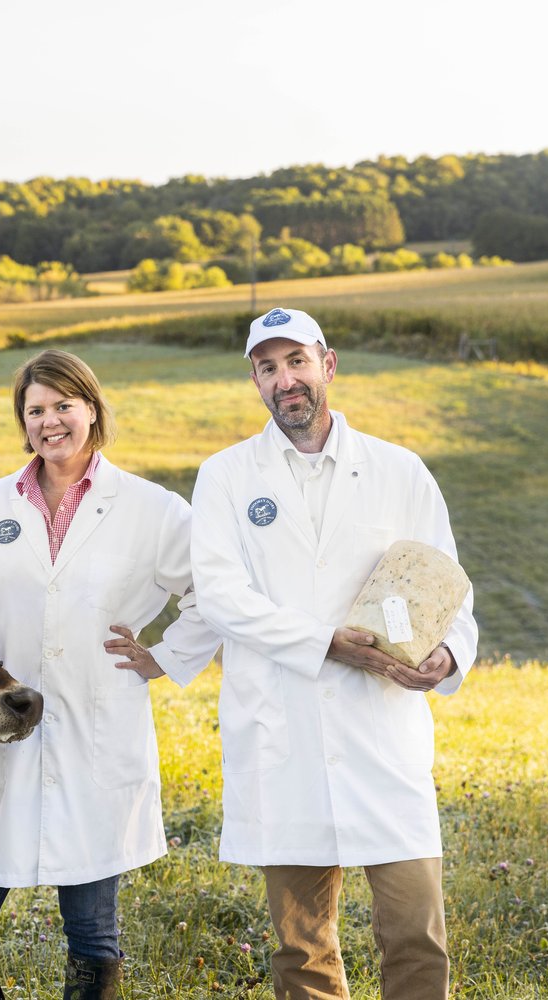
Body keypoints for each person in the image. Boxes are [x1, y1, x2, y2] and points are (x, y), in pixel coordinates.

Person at [189, 308, 478, 1000]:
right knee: (301, 948)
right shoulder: (226, 476)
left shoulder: (398, 470)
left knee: (416, 931)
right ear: (254, 380)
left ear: (329, 365)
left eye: (297, 362)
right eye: (268, 367)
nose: (285, 379)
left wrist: (449, 657)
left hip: (381, 731)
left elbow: (450, 589)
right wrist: (326, 644)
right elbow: (221, 597)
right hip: (280, 733)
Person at [0, 349, 223, 1000]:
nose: (50, 421)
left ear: (91, 409)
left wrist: (161, 657)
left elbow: (212, 591)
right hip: (1, 727)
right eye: (36, 410)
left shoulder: (149, 508)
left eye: (64, 405)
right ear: (22, 422)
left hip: (95, 731)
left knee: (91, 931)